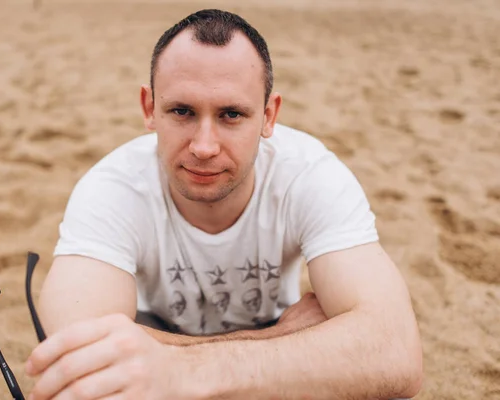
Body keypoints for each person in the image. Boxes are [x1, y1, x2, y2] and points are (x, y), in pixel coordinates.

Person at [25, 9, 423, 400]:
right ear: (149, 109)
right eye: (182, 111)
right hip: (225, 338)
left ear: (269, 116)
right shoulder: (112, 188)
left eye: (231, 115)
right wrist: (288, 337)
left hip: (167, 350)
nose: (203, 147)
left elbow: (397, 353)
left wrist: (180, 369)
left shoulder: (309, 175)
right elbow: (74, 351)